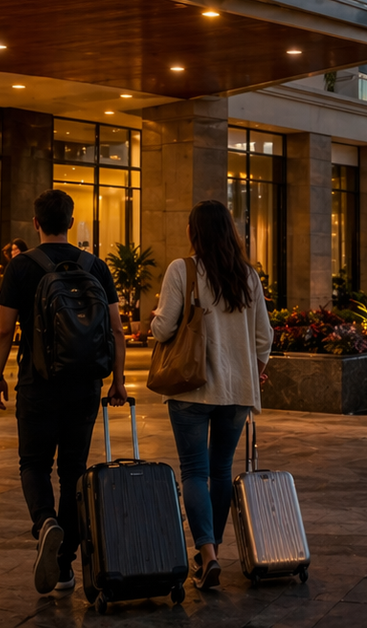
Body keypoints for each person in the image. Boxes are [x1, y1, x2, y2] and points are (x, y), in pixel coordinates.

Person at [0, 190, 127, 595]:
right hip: (86, 384)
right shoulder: (96, 266)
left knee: (33, 463)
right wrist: (118, 380)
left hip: (38, 382)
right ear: (71, 222)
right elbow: (117, 330)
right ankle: (65, 567)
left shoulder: (21, 267)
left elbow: (3, 330)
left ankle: (44, 521)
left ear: (35, 223)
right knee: (73, 472)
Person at [151, 200, 273, 590]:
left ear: (193, 232)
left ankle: (207, 554)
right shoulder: (247, 276)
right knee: (221, 471)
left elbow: (163, 329)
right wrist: (256, 369)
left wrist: (154, 319)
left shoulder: (181, 270)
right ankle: (213, 553)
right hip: (237, 391)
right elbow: (263, 337)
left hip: (191, 388)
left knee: (194, 471)